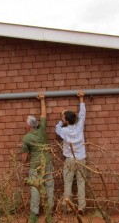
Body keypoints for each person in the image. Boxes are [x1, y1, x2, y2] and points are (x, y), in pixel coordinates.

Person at [21, 92, 54, 223]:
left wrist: (24, 161)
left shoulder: (26, 138)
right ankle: (49, 210)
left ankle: (34, 213)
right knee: (49, 185)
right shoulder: (42, 130)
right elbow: (44, 115)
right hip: (47, 162)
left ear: (29, 126)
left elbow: (24, 156)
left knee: (35, 188)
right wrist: (42, 100)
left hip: (35, 165)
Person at [55, 91, 86, 214]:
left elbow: (57, 129)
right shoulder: (79, 127)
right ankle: (81, 207)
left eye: (63, 119)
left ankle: (68, 207)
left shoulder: (64, 131)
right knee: (81, 183)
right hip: (81, 159)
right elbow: (82, 114)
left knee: (68, 183)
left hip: (70, 160)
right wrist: (81, 99)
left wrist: (61, 120)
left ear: (66, 121)